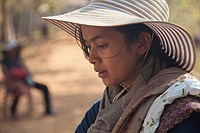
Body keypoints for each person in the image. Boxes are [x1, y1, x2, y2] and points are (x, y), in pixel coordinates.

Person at [43, 0, 200, 132]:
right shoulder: (103, 110)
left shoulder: (183, 115)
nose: (92, 58)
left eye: (102, 45)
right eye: (88, 46)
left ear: (142, 43)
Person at [1, 40, 55, 118]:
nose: (16, 50)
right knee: (18, 92)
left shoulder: (18, 59)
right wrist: (22, 74)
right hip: (14, 83)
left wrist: (25, 74)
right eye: (14, 48)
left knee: (44, 87)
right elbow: (10, 74)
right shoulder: (5, 62)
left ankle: (48, 110)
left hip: (26, 81)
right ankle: (13, 112)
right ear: (10, 50)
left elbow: (26, 71)